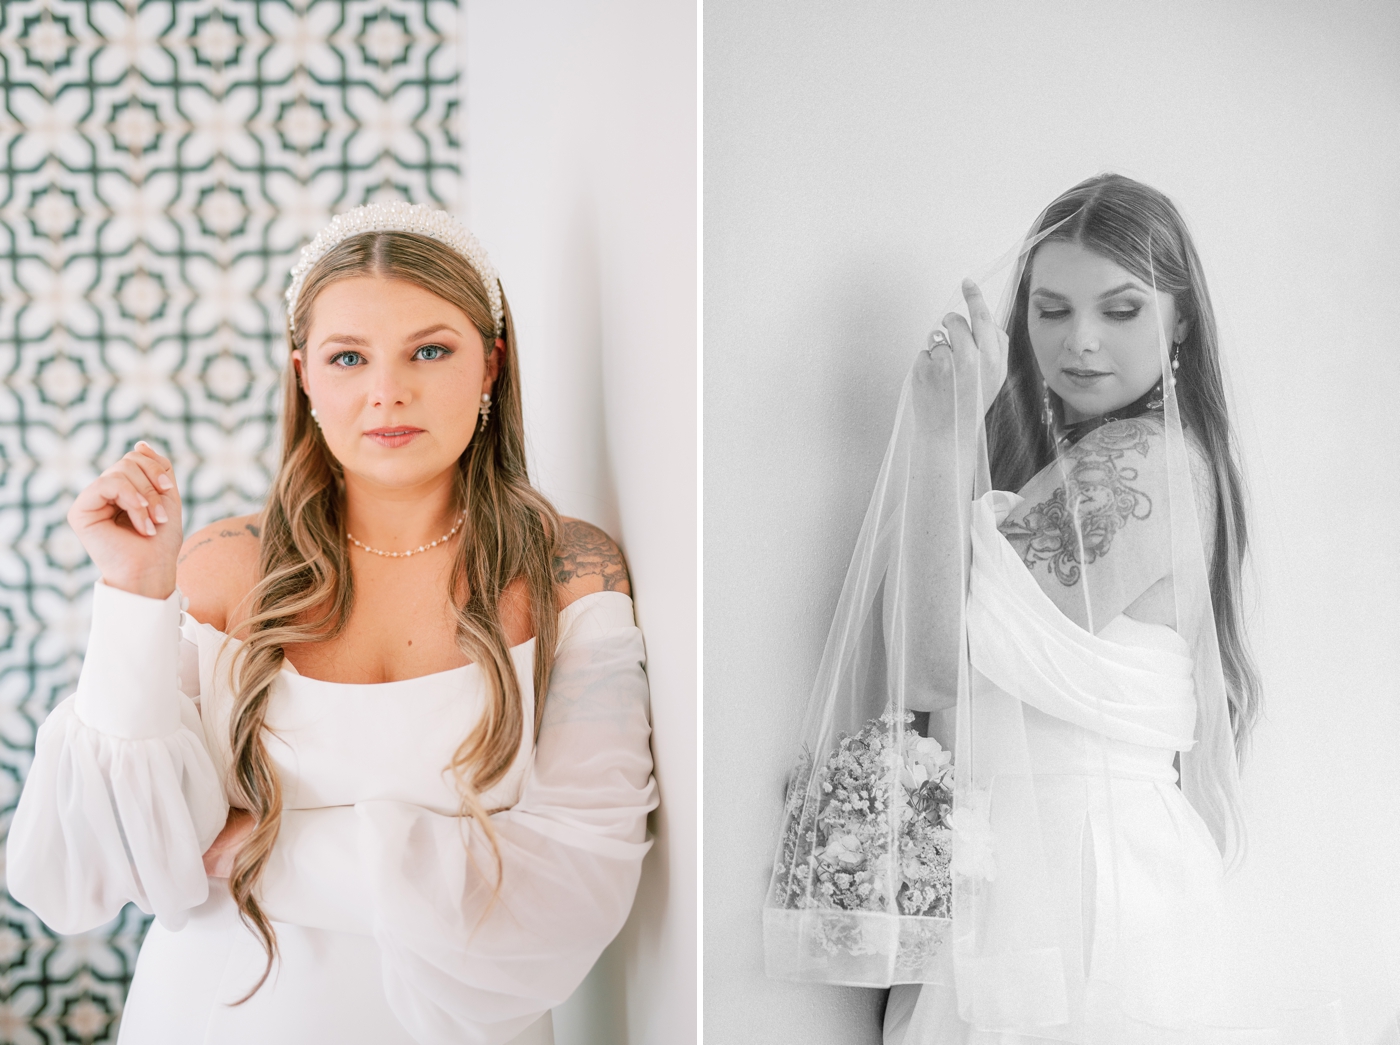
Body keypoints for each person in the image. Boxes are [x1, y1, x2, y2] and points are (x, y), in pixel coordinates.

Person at [7, 201, 657, 1045]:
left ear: (491, 365)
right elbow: (95, 864)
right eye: (349, 357)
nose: (388, 390)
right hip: (217, 1017)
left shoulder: (571, 571)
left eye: (430, 349)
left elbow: (582, 876)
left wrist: (267, 855)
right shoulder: (225, 567)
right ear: (306, 376)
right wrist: (134, 590)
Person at [765, 174, 1329, 1042]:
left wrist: (945, 429)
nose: (1083, 342)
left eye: (1121, 309)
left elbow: (930, 660)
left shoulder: (1143, 463)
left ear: (1181, 319)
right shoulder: (1081, 457)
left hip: (1087, 889)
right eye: (1052, 309)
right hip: (1044, 878)